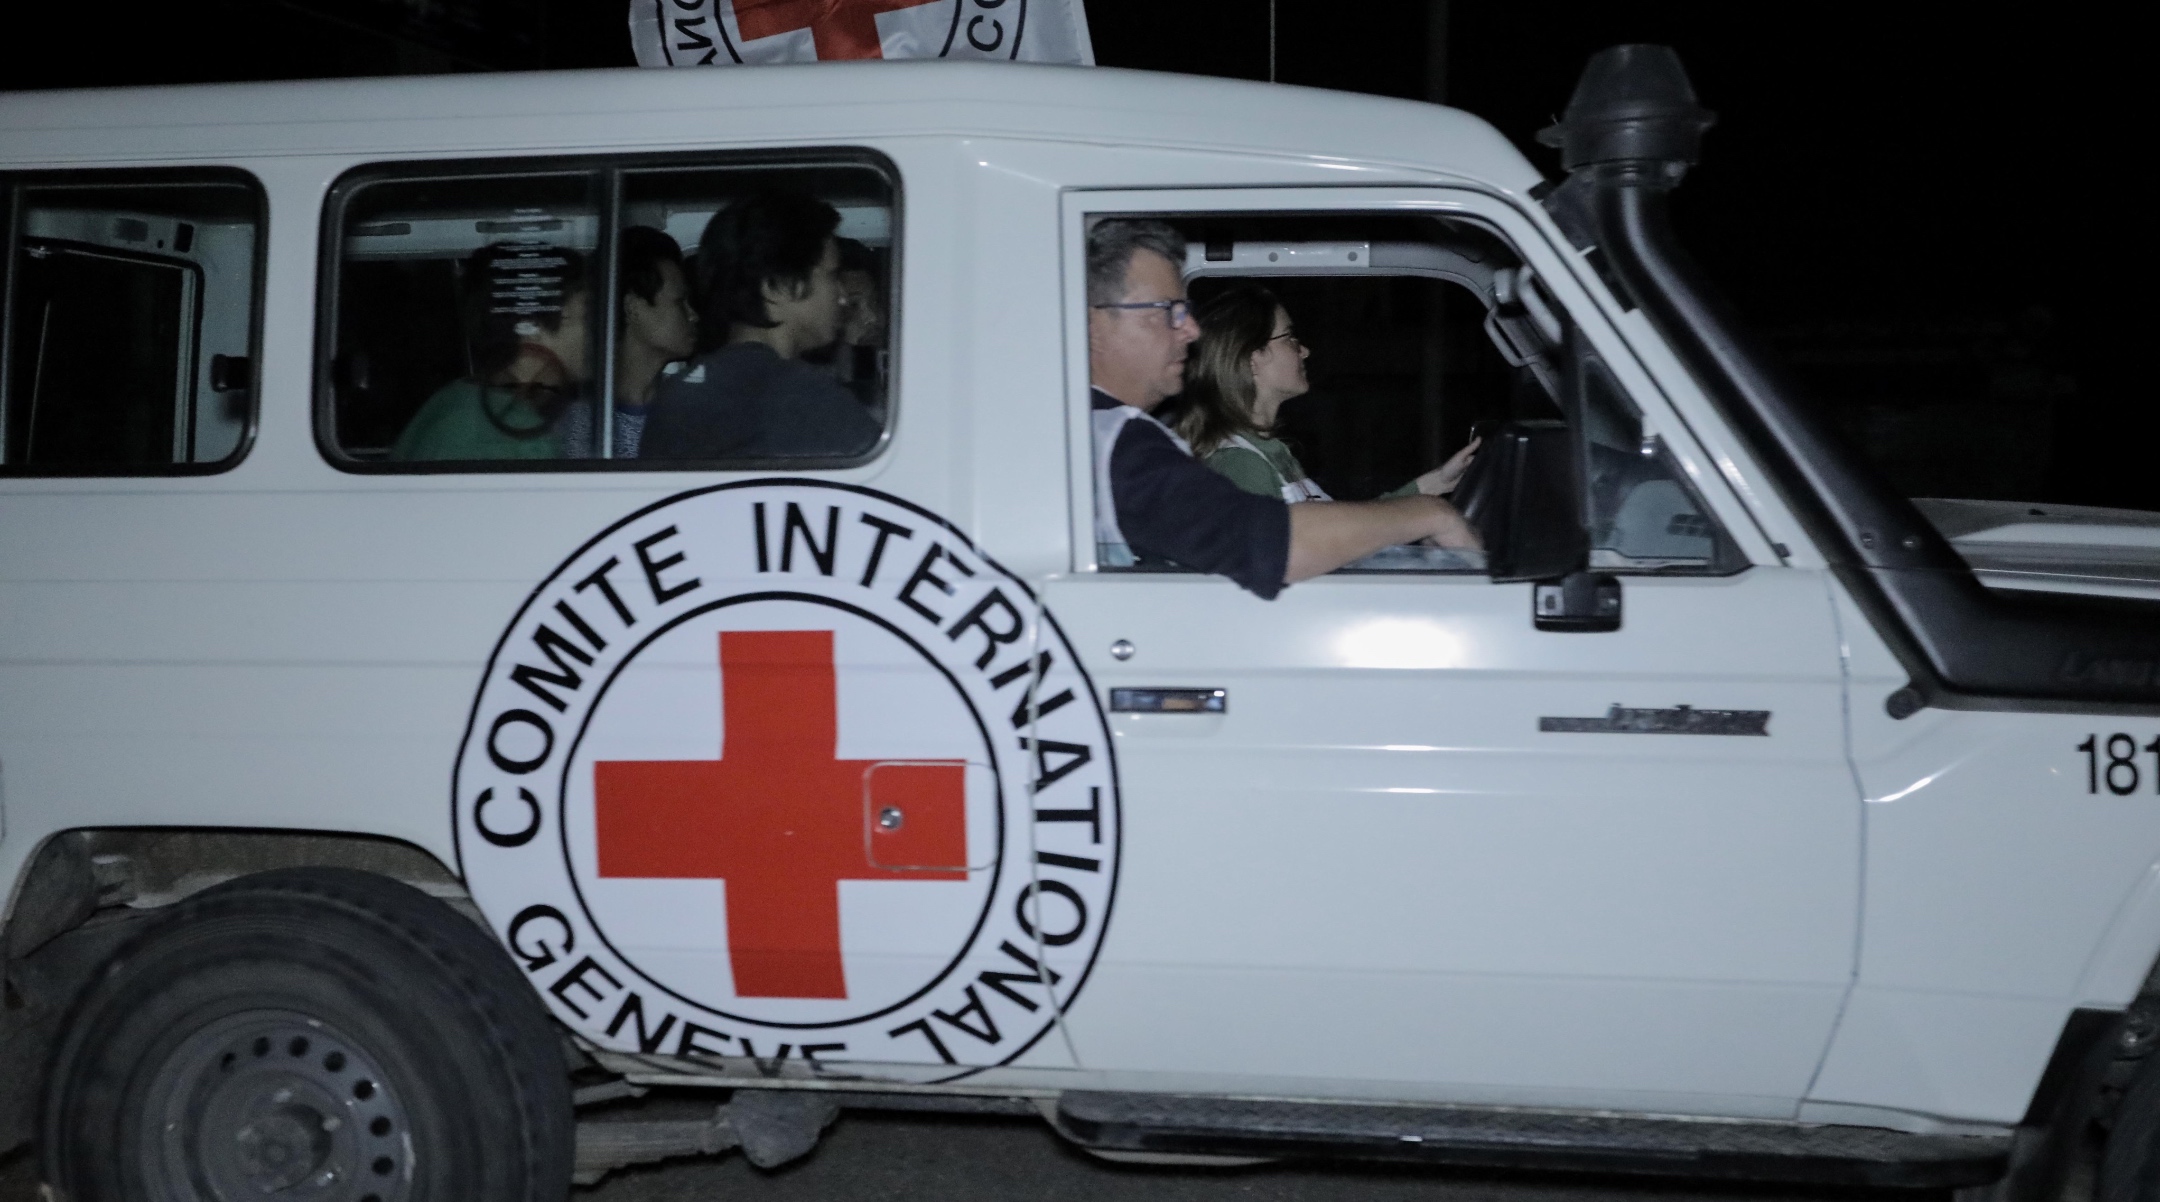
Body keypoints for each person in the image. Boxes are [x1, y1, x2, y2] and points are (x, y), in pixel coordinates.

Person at [1088, 220, 1479, 600]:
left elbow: (1319, 531)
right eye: (1166, 310)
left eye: (1185, 310)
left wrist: (1426, 491)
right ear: (1094, 324)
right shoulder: (1114, 441)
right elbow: (1265, 544)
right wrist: (1428, 512)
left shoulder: (1115, 433)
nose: (1190, 330)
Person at [1178, 282, 1479, 503]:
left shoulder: (1270, 453)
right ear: (1253, 357)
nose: (1304, 351)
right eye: (1290, 338)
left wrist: (1434, 483)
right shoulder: (1241, 466)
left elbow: (1340, 531)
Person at [639, 189, 880, 460]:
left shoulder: (675, 395)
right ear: (777, 286)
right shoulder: (805, 399)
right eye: (832, 275)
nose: (843, 297)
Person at [391, 242, 589, 461]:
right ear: (532, 327)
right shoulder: (514, 432)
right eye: (586, 317)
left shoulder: (453, 401)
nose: (600, 331)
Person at [562, 226, 697, 460]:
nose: (693, 315)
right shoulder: (580, 424)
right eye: (679, 301)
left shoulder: (693, 407)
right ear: (633, 307)